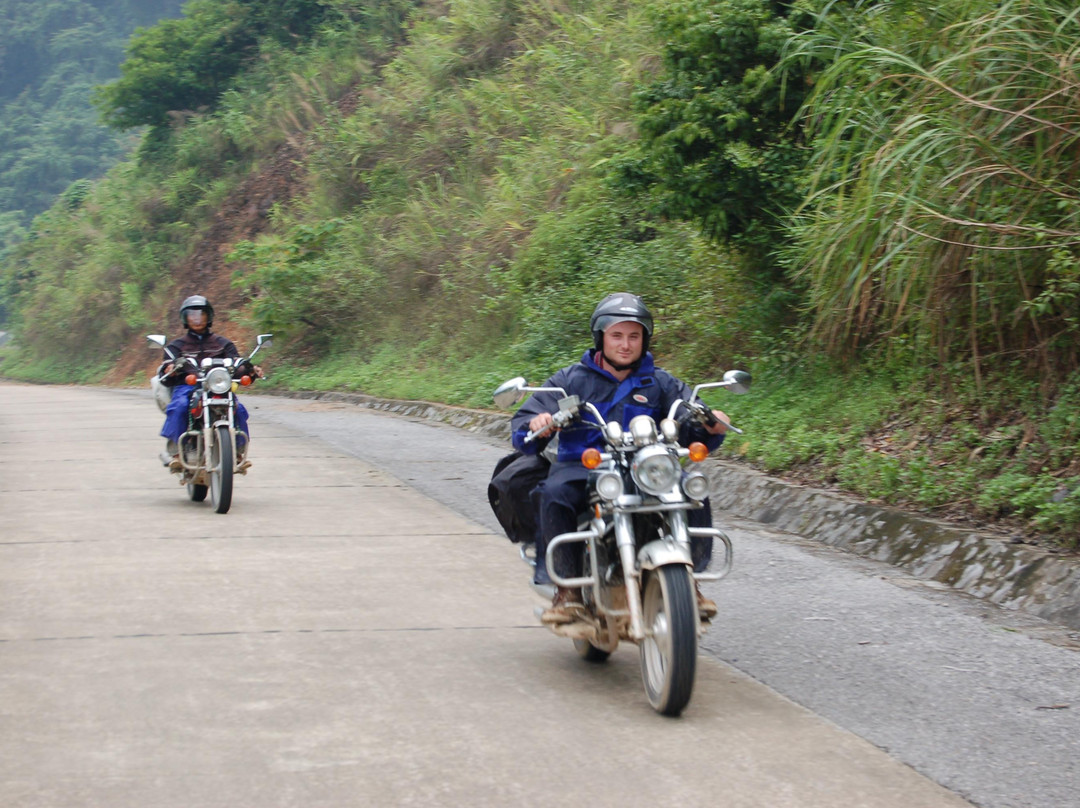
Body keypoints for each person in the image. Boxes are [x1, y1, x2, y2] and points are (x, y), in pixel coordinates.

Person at [510, 292, 731, 624]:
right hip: (584, 466)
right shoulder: (570, 380)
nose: (625, 345)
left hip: (645, 468)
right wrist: (537, 423)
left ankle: (689, 583)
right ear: (601, 337)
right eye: (617, 335)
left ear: (644, 339)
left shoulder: (659, 382)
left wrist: (712, 421)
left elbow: (691, 419)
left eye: (634, 336)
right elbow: (525, 426)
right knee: (554, 493)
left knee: (690, 490)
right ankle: (567, 591)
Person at [158, 295, 261, 471]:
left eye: (201, 314)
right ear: (185, 318)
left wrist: (250, 370)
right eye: (192, 315)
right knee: (179, 406)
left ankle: (237, 451)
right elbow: (165, 372)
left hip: (217, 386)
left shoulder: (223, 344)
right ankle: (176, 452)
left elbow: (236, 364)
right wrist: (170, 369)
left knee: (239, 409)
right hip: (188, 386)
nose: (197, 319)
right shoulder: (176, 346)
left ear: (209, 316)